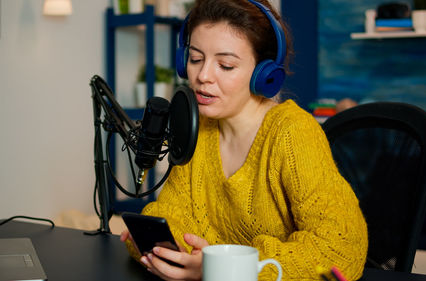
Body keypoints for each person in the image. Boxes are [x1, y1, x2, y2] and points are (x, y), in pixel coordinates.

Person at [120, 0, 368, 280]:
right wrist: (170, 253)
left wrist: (220, 267)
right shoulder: (198, 128)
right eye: (195, 59)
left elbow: (341, 250)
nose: (202, 76)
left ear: (264, 75)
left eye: (225, 65)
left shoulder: (292, 132)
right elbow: (167, 217)